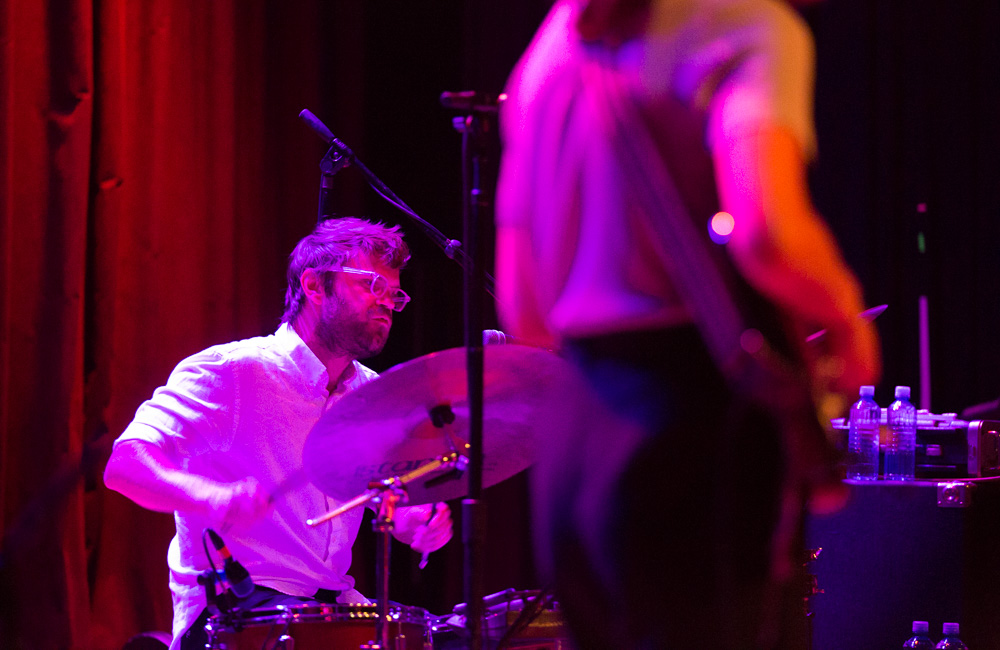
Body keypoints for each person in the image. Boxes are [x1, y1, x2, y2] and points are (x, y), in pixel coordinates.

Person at [495, 0, 880, 647]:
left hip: (574, 429)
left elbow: (523, 307)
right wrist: (846, 315)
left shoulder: (550, 50)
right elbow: (766, 234)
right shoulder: (746, 25)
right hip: (689, 423)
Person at [104, 217, 452, 650]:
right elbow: (125, 464)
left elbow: (381, 499)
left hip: (330, 609)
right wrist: (208, 496)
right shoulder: (234, 371)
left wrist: (411, 520)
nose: (386, 302)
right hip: (234, 613)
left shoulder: (371, 394)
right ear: (314, 286)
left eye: (394, 294)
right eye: (371, 285)